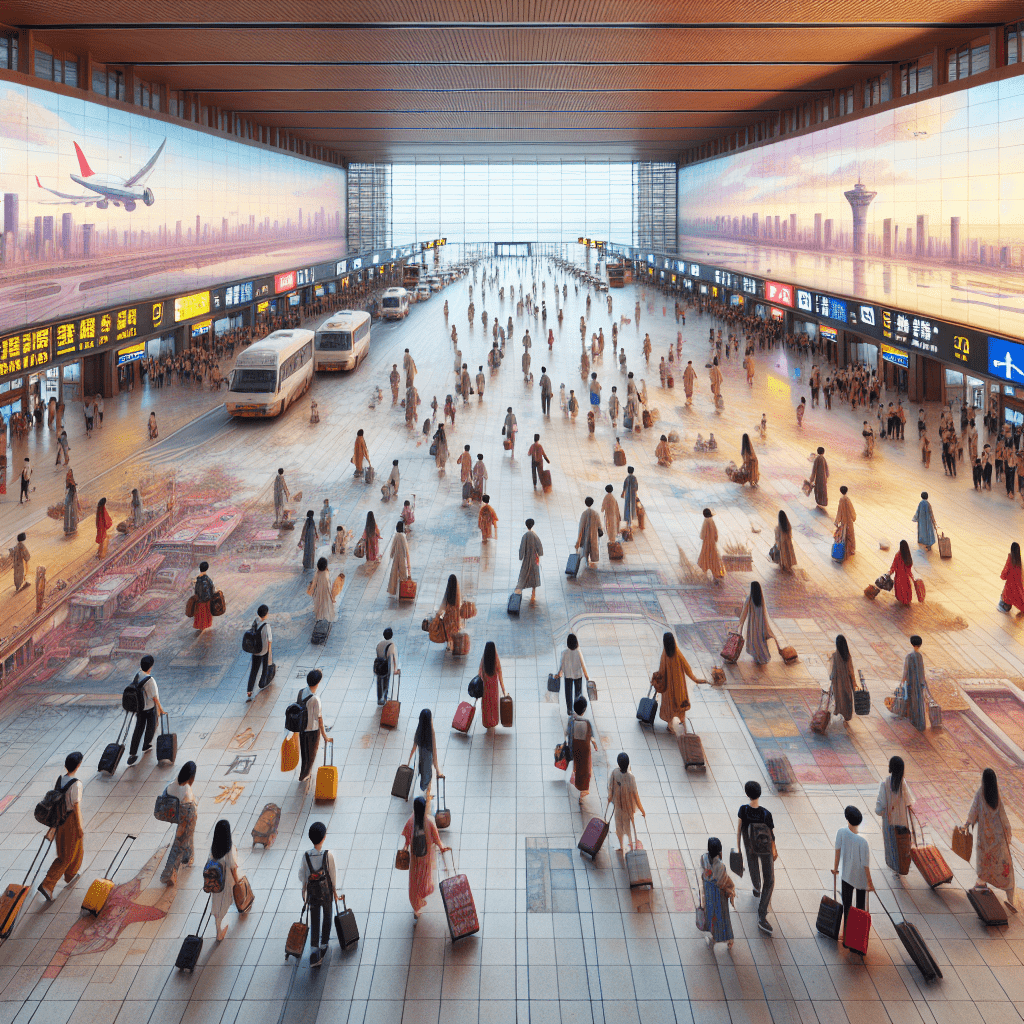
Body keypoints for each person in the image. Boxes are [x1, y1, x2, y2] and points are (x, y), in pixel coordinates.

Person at [37, 752, 85, 903]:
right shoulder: (76, 784)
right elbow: (76, 807)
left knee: (76, 848)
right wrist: (79, 826)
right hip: (70, 820)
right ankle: (47, 885)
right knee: (66, 855)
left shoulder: (61, 779)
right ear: (78, 766)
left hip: (59, 820)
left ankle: (71, 874)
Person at [965, 768, 1016, 907]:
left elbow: (974, 810)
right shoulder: (996, 796)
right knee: (1004, 868)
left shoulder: (981, 793)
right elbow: (1003, 817)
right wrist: (1007, 833)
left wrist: (968, 823)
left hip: (985, 841)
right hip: (998, 841)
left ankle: (981, 886)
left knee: (985, 866)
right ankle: (1010, 897)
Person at [736, 781, 777, 935]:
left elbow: (739, 830)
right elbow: (772, 836)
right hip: (765, 848)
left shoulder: (743, 810)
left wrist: (739, 848)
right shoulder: (766, 814)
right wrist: (774, 850)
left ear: (747, 794)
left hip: (750, 846)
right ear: (760, 793)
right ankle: (762, 914)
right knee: (770, 879)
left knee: (753, 865)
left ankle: (756, 887)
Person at [400, 796, 449, 920]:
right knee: (424, 879)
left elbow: (406, 840)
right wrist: (443, 848)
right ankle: (422, 897)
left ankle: (416, 905)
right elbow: (437, 840)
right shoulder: (429, 822)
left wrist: (405, 849)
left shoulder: (411, 821)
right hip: (426, 859)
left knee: (414, 881)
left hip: (415, 859)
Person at [298, 821, 339, 967]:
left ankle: (314, 948)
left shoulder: (306, 856)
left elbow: (303, 875)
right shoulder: (328, 855)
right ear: (324, 838)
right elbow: (332, 875)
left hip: (313, 893)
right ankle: (324, 944)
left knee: (315, 918)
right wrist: (335, 891)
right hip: (326, 891)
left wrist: (304, 890)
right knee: (327, 916)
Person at [832, 806, 875, 948]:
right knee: (860, 908)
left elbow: (837, 851)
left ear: (847, 818)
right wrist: (870, 883)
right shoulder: (863, 841)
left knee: (847, 906)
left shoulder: (841, 832)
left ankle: (845, 936)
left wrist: (835, 868)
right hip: (861, 879)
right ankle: (857, 938)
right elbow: (865, 865)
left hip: (846, 876)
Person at [654, 631, 704, 730]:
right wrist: (695, 679)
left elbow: (661, 671)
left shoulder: (664, 654)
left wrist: (656, 680)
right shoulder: (677, 653)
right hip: (679, 686)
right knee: (680, 706)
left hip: (668, 688)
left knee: (671, 706)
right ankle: (679, 723)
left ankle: (671, 726)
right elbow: (687, 667)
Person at [875, 756, 914, 877]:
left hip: (890, 821)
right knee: (901, 845)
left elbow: (880, 805)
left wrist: (880, 812)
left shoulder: (885, 784)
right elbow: (909, 802)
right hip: (902, 822)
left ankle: (895, 867)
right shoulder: (903, 783)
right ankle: (902, 865)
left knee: (892, 844)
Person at [160, 761, 198, 886]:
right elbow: (188, 813)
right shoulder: (186, 791)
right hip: (185, 817)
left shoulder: (175, 782)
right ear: (191, 777)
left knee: (187, 837)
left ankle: (188, 855)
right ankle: (168, 874)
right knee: (179, 844)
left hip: (174, 812)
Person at [126, 654, 164, 766]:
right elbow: (155, 698)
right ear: (150, 667)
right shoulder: (150, 680)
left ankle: (133, 753)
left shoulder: (138, 675)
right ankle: (146, 745)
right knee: (151, 727)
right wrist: (161, 709)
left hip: (139, 708)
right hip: (149, 708)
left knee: (138, 729)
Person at [208, 820, 242, 942]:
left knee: (217, 903)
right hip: (226, 882)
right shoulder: (229, 850)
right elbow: (233, 868)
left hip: (216, 882)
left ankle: (218, 929)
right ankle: (219, 933)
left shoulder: (213, 849)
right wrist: (238, 882)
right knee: (226, 902)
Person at [700, 838, 736, 950]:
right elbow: (724, 882)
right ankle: (729, 939)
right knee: (723, 917)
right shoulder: (720, 866)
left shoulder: (704, 858)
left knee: (711, 915)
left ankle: (714, 937)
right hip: (719, 897)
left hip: (709, 893)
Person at [297, 669, 331, 783]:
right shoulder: (315, 699)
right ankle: (306, 774)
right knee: (311, 753)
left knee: (304, 752)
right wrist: (324, 736)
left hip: (302, 728)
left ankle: (303, 773)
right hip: (312, 730)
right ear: (318, 682)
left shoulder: (301, 692)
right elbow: (319, 718)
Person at [607, 753, 645, 852]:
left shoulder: (615, 773)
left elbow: (610, 787)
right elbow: (635, 795)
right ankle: (631, 845)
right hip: (628, 807)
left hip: (618, 806)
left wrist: (610, 798)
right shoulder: (631, 777)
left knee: (619, 826)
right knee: (628, 827)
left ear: (618, 764)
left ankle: (621, 846)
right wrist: (641, 809)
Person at [897, 635, 933, 732]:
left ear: (911, 644)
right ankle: (921, 723)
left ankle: (914, 721)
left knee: (912, 701)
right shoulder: (920, 656)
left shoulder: (909, 656)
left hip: (911, 683)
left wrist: (902, 682)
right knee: (919, 701)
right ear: (920, 644)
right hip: (919, 683)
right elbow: (922, 671)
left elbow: (905, 671)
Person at [566, 696, 598, 803]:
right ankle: (582, 792)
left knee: (577, 766)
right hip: (584, 751)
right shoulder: (586, 722)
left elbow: (568, 733)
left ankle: (575, 779)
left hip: (575, 748)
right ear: (584, 710)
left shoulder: (571, 720)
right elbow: (591, 735)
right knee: (585, 771)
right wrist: (593, 743)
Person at [737, 581, 777, 665]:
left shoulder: (749, 598)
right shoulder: (761, 599)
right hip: (761, 624)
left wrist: (741, 623)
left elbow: (744, 612)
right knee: (761, 641)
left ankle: (757, 656)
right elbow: (765, 613)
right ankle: (763, 657)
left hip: (753, 624)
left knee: (754, 640)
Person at [407, 709, 443, 797]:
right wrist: (437, 769)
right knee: (427, 778)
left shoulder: (419, 730)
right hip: (427, 760)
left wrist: (408, 762)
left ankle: (423, 796)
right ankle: (426, 798)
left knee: (421, 777)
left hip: (420, 759)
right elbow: (434, 752)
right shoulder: (431, 732)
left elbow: (414, 747)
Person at [556, 633, 590, 717]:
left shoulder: (564, 653)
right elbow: (583, 665)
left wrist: (559, 673)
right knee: (578, 693)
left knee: (568, 693)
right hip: (578, 676)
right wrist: (586, 675)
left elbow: (562, 665)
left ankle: (569, 709)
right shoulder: (578, 652)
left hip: (568, 676)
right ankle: (578, 709)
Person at [827, 635, 857, 723]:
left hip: (837, 682)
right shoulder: (847, 656)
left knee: (839, 697)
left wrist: (831, 680)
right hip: (846, 681)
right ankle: (847, 715)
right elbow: (851, 670)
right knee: (847, 698)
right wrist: (854, 683)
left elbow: (832, 670)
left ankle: (839, 710)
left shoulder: (835, 655)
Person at [245, 604, 273, 700]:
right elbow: (269, 640)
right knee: (265, 668)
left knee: (254, 670)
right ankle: (262, 683)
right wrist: (269, 652)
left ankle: (249, 690)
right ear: (265, 614)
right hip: (264, 650)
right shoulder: (266, 625)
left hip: (255, 650)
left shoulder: (255, 621)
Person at [478, 641, 507, 731]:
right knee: (494, 705)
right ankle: (493, 721)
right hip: (494, 687)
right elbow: (500, 675)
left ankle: (487, 722)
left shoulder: (484, 659)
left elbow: (479, 673)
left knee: (486, 705)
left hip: (486, 687)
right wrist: (503, 690)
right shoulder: (496, 659)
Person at [431, 574, 463, 651]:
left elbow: (443, 604)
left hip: (448, 617)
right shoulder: (458, 595)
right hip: (456, 617)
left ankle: (449, 644)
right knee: (454, 631)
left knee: (448, 631)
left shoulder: (448, 594)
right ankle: (453, 643)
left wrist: (438, 614)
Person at [516, 518, 543, 602]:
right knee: (534, 575)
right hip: (534, 558)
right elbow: (539, 547)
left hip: (527, 558)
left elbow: (522, 548)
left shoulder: (525, 536)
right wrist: (540, 553)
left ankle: (520, 588)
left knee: (524, 573)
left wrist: (521, 556)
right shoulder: (535, 535)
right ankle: (533, 592)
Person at [308, 556, 343, 620]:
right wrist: (332, 597)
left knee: (319, 605)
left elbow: (314, 583)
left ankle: (319, 617)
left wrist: (311, 591)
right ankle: (326, 618)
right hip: (325, 594)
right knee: (326, 606)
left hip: (318, 593)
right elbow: (328, 586)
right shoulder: (326, 574)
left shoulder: (317, 573)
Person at [384, 520, 412, 596]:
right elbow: (405, 548)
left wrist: (391, 555)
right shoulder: (403, 536)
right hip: (402, 557)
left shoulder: (396, 535)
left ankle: (393, 589)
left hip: (396, 557)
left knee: (394, 574)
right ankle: (404, 589)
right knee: (403, 574)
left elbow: (393, 546)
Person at [697, 508, 725, 581]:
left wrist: (703, 538)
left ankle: (704, 573)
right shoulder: (712, 521)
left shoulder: (706, 521)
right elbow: (715, 532)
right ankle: (717, 573)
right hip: (712, 543)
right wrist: (715, 539)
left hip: (706, 543)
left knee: (705, 558)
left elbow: (702, 535)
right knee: (714, 558)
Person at [575, 496, 601, 566]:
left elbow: (581, 527)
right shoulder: (595, 513)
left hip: (585, 535)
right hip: (594, 535)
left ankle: (586, 562)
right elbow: (599, 525)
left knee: (585, 549)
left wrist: (578, 541)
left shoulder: (584, 514)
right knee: (593, 548)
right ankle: (592, 561)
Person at [375, 628, 399, 705]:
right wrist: (395, 669)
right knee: (386, 681)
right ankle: (384, 697)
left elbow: (377, 653)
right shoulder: (392, 645)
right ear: (391, 635)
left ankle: (379, 698)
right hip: (386, 665)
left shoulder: (379, 644)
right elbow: (394, 657)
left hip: (379, 664)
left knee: (379, 681)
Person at [1000, 542, 1024, 613]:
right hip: (1018, 588)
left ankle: (1006, 605)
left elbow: (1005, 570)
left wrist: (1003, 576)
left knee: (1004, 598)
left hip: (1009, 588)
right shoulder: (1019, 562)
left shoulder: (1010, 559)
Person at [889, 540, 914, 607]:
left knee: (901, 590)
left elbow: (894, 566)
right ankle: (907, 602)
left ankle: (902, 601)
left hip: (899, 577)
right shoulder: (907, 555)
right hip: (906, 577)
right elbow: (910, 566)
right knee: (907, 590)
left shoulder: (898, 555)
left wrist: (890, 572)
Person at [192, 561, 215, 630]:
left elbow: (196, 590)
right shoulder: (207, 579)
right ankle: (204, 626)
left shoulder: (198, 579)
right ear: (207, 568)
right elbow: (212, 589)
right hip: (206, 600)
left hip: (199, 600)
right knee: (205, 614)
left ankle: (200, 626)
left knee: (200, 614)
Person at [834, 486, 856, 558]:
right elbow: (851, 509)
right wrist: (853, 517)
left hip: (844, 520)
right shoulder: (848, 499)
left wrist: (837, 521)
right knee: (850, 534)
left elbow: (839, 511)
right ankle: (852, 549)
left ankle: (846, 550)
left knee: (844, 534)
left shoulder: (841, 500)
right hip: (849, 520)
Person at [63, 469, 82, 536]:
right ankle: (70, 529)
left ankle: (71, 528)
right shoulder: (69, 483)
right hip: (71, 499)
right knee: (71, 513)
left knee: (72, 513)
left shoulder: (70, 482)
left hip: (72, 498)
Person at [621, 466, 639, 536]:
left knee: (627, 507)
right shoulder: (634, 478)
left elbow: (624, 487)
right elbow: (636, 487)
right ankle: (631, 522)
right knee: (632, 507)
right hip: (633, 495)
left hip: (628, 495)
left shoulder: (627, 478)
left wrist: (623, 493)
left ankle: (628, 522)